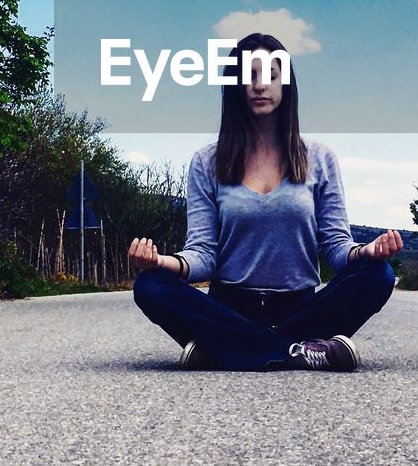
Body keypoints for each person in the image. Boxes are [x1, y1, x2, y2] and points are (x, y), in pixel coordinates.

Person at [129, 32, 400, 372]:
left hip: (302, 309)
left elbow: (335, 246)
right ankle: (297, 351)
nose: (260, 86)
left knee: (378, 275)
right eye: (248, 76)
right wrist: (162, 262)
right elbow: (202, 255)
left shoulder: (320, 158)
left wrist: (366, 252)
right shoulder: (206, 162)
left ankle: (226, 350)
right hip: (229, 308)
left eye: (271, 76)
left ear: (286, 85)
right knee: (150, 286)